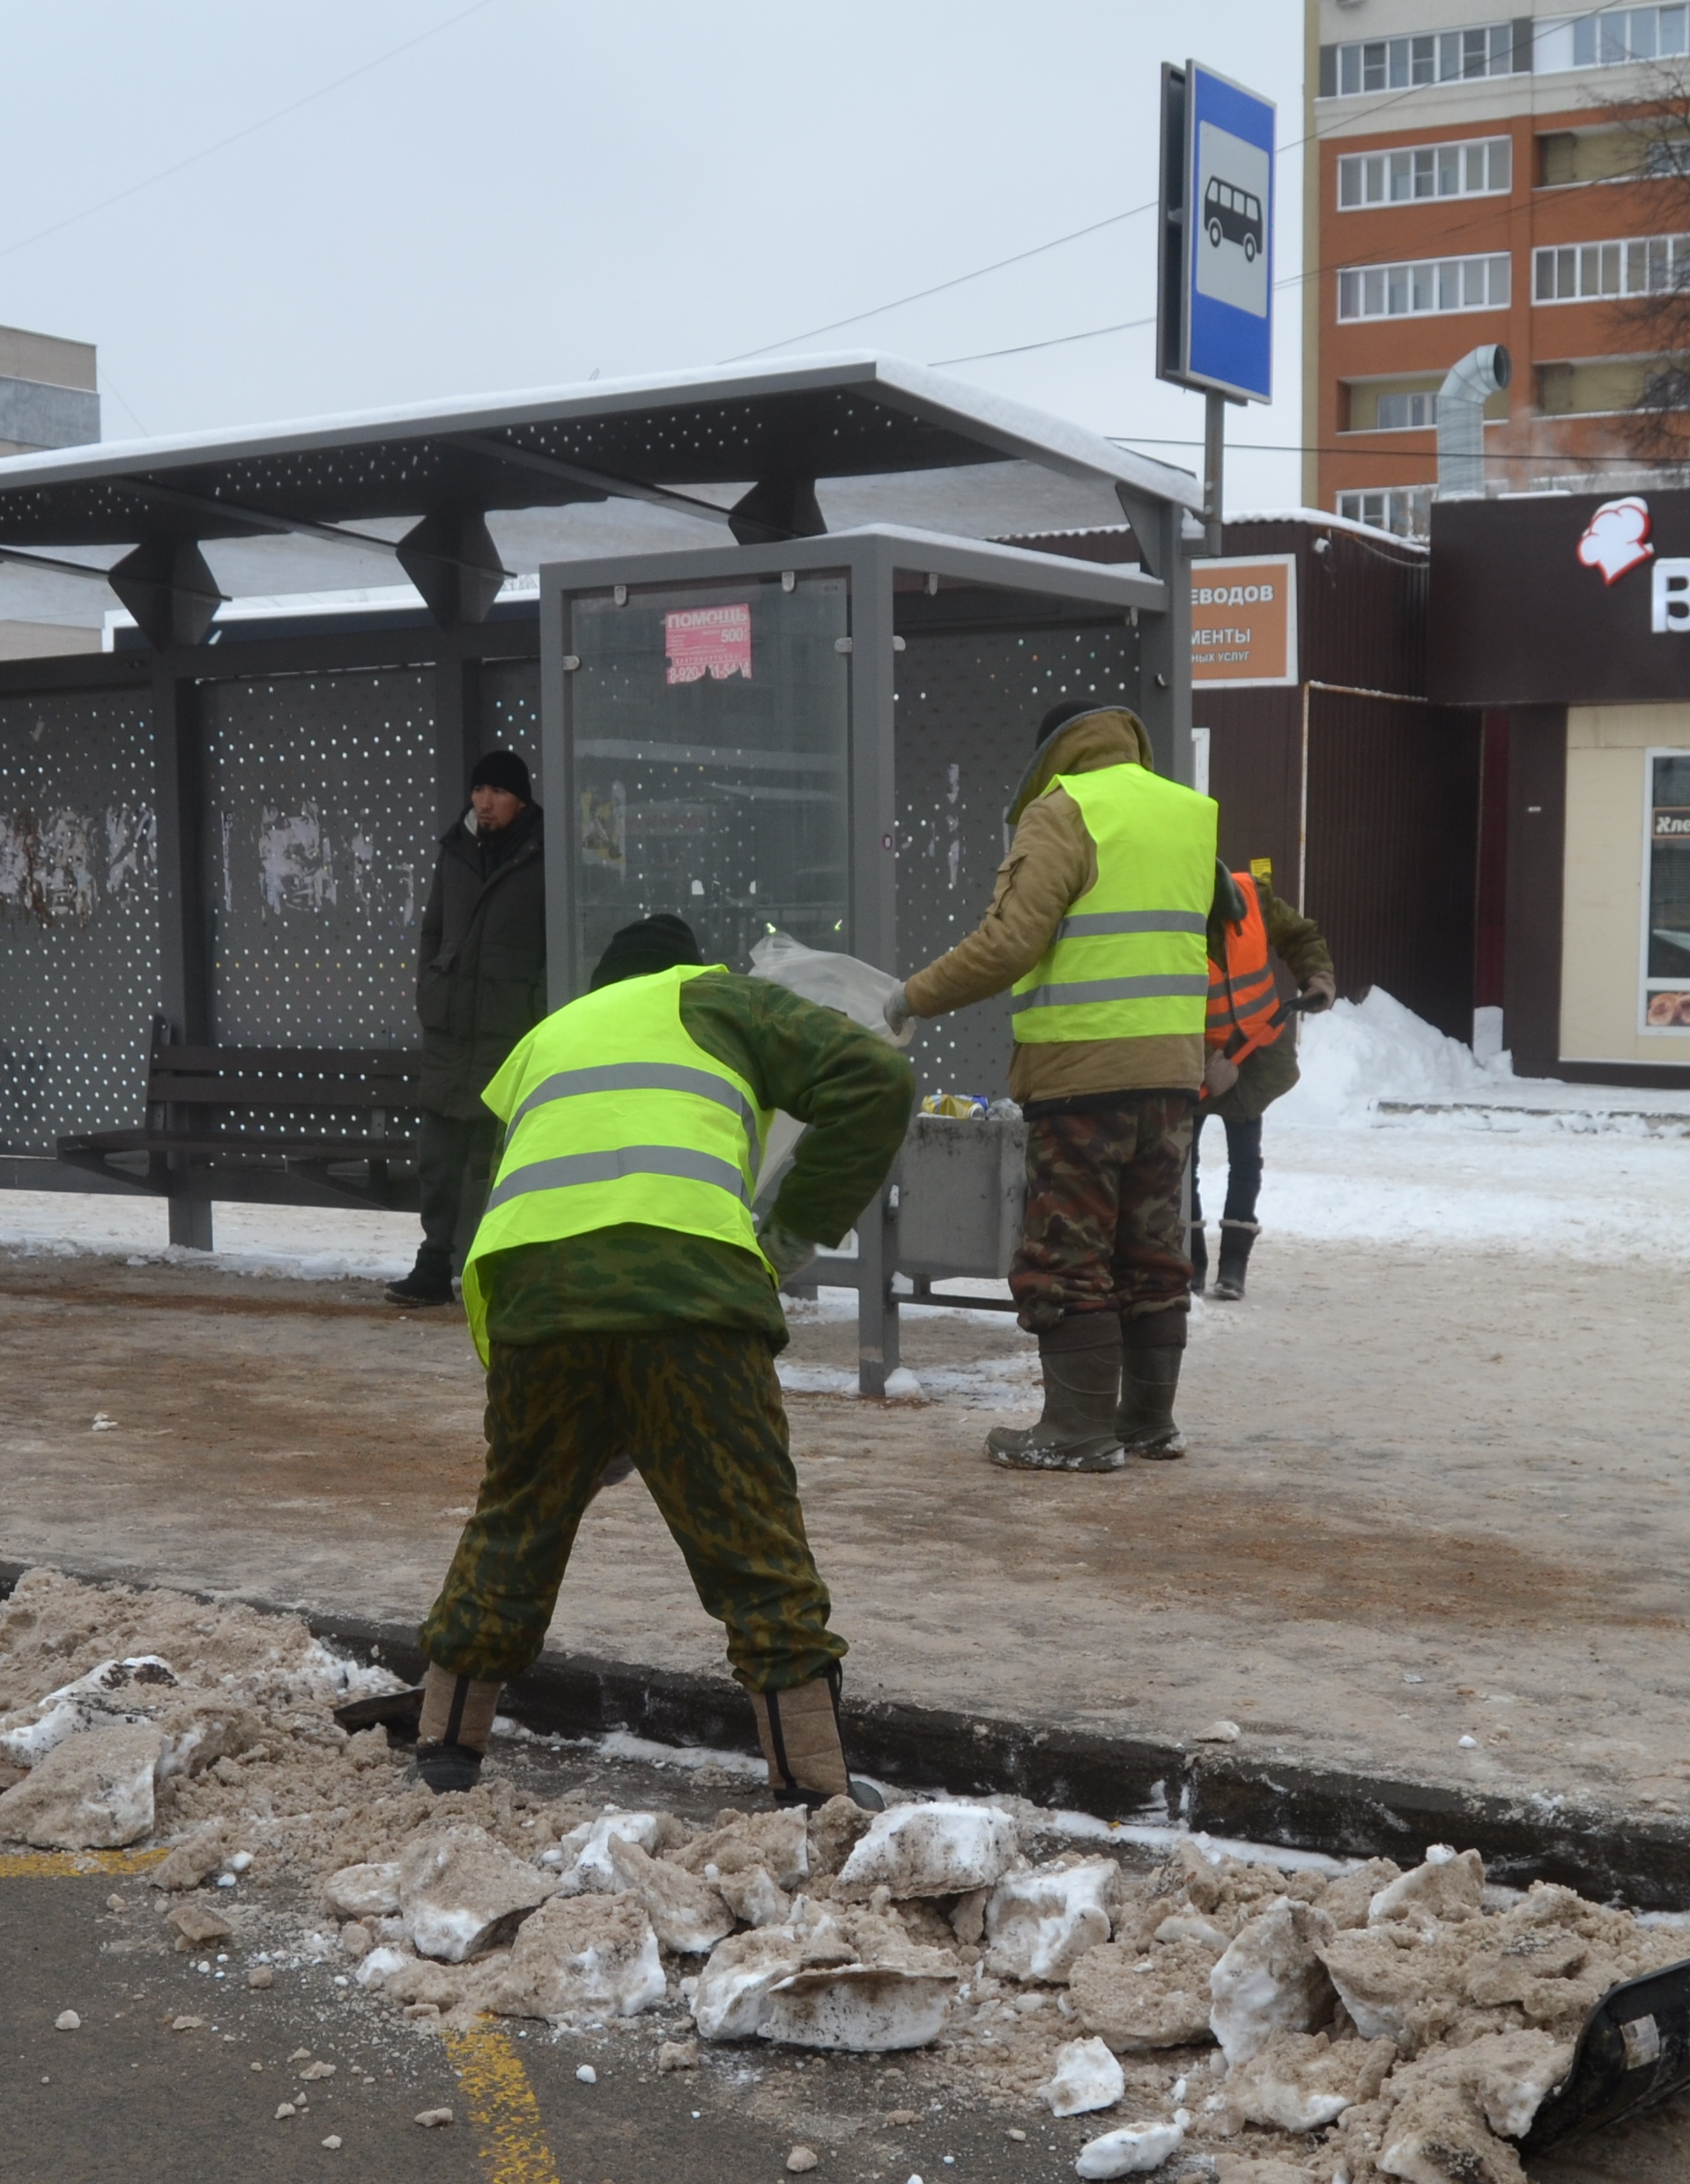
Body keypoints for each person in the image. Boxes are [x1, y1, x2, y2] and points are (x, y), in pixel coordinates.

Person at [383, 913, 913, 1805]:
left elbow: (510, 1202)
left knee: (517, 1517)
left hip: (534, 1301)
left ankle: (445, 1746)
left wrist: (559, 1412)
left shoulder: (549, 1037)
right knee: (750, 1532)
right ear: (693, 967)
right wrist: (786, 1236)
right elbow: (877, 1076)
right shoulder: (718, 998)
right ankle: (813, 1780)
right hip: (686, 1293)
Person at [892, 700, 1221, 1470]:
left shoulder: (1066, 810)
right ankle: (1147, 1421)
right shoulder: (1187, 812)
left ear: (1054, 752)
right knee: (1152, 1248)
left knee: (1068, 1252)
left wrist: (912, 997)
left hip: (1083, 1077)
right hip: (1171, 1078)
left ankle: (1075, 1430)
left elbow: (1009, 941)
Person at [391, 751, 548, 1308]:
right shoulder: (454, 851)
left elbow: (554, 945)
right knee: (438, 1160)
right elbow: (433, 930)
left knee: (497, 1162)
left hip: (509, 1034)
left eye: (497, 791)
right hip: (451, 1031)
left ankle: (496, 1271)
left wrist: (534, 1009)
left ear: (521, 799)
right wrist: (429, 991)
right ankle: (433, 1263)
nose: (484, 800)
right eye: (479, 788)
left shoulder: (543, 855)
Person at [1194, 857, 1336, 1302]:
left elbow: (1299, 935)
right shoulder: (1170, 925)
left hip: (1255, 1055)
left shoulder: (1252, 897)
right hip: (1194, 1063)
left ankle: (1233, 1266)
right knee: (1179, 1167)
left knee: (1245, 1161)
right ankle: (1189, 1263)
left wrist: (1317, 976)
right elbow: (1149, 1002)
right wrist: (1201, 1063)